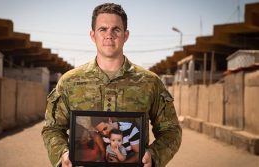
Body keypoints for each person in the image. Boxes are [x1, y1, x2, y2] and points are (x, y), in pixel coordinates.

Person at [41, 3, 182, 167]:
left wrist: (154, 156)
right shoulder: (69, 82)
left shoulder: (150, 82)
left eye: (116, 29)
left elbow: (171, 130)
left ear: (126, 35)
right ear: (93, 35)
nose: (109, 35)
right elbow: (52, 128)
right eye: (103, 29)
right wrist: (63, 154)